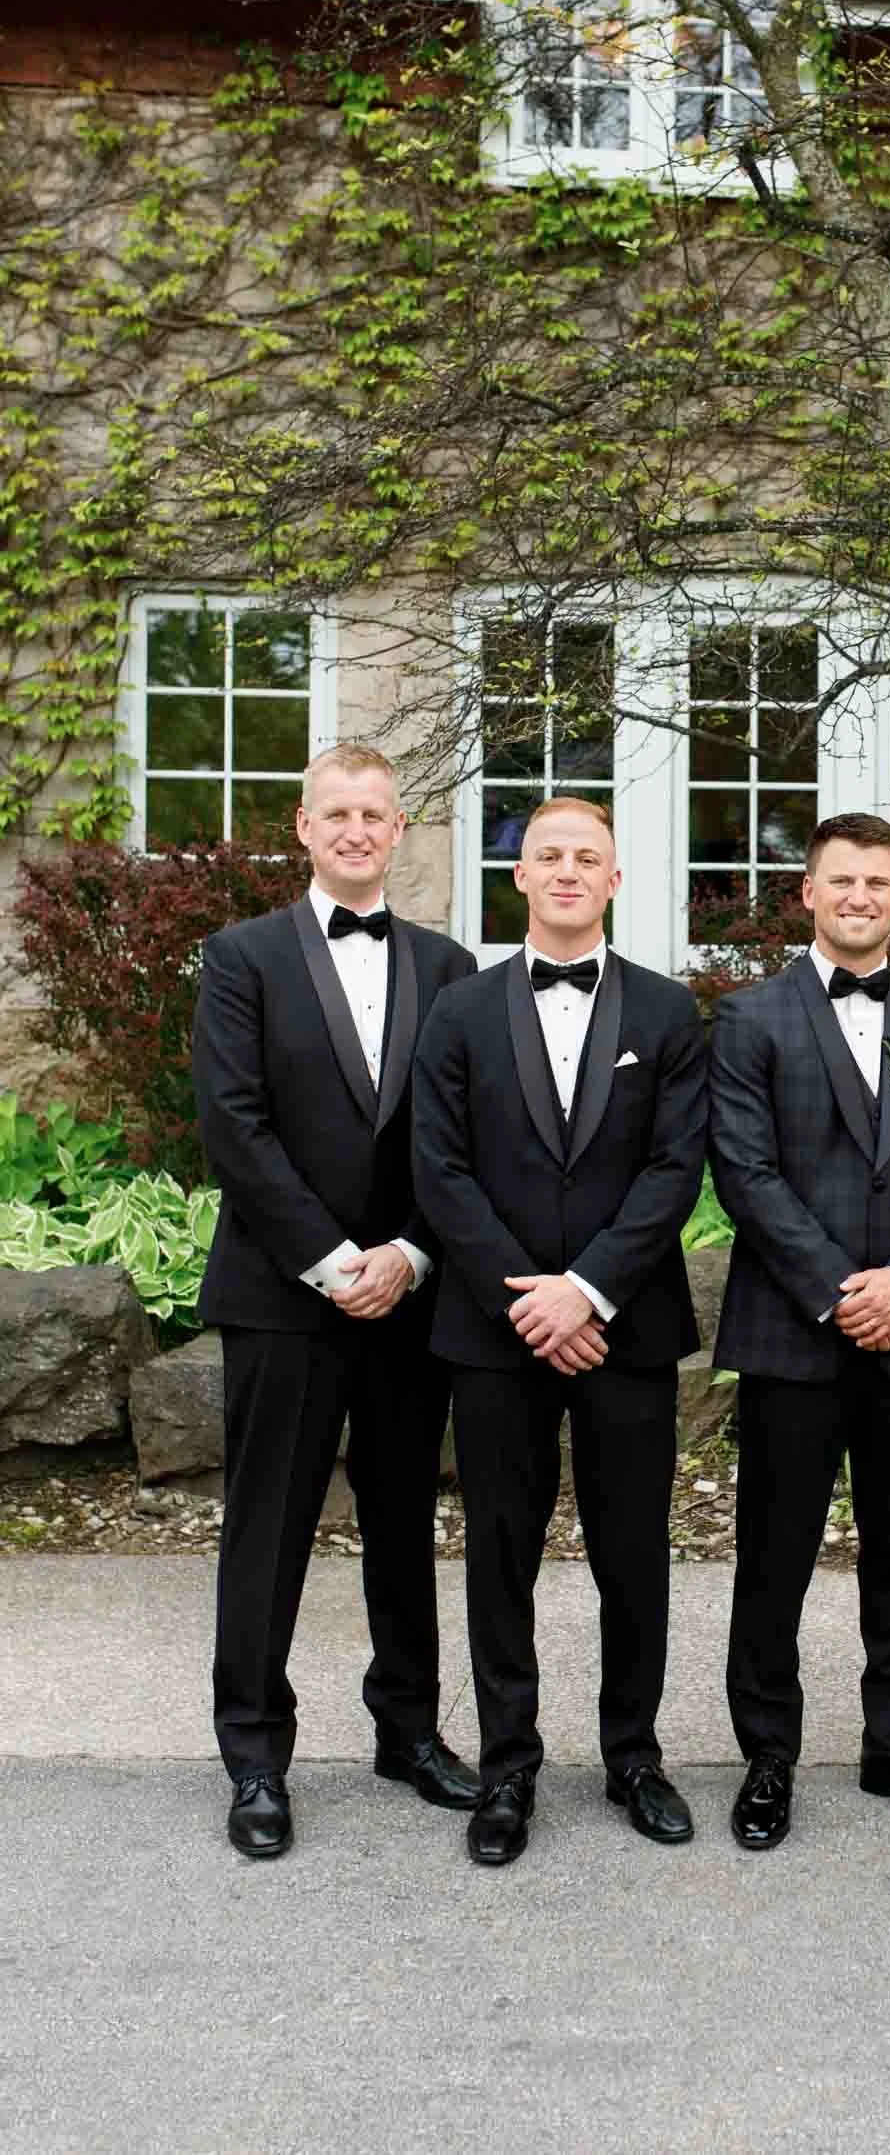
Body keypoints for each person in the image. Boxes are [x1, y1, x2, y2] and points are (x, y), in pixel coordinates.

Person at [193, 741, 480, 1859]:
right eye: (337, 813)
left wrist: (408, 1252)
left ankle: (407, 1729)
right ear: (303, 828)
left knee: (404, 1521)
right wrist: (328, 1257)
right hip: (282, 1293)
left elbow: (458, 1137)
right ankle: (255, 1755)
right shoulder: (241, 957)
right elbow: (233, 1124)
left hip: (409, 1294)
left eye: (375, 813)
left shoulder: (452, 968)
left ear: (398, 831)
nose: (357, 830)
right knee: (269, 1527)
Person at [411, 796, 708, 1867]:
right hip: (494, 1336)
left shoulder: (670, 1016)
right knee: (500, 1552)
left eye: (588, 856)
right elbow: (437, 1169)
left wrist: (586, 1291)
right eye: (550, 856)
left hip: (625, 1330)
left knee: (635, 1552)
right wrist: (524, 1299)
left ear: (616, 880)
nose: (569, 870)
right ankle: (508, 1767)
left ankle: (633, 1753)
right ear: (520, 876)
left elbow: (675, 1169)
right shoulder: (458, 1012)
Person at [710, 812, 890, 1849]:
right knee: (773, 1553)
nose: (860, 896)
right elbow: (744, 1171)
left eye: (878, 880)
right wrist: (838, 1290)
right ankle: (767, 1753)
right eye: (842, 880)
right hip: (792, 1330)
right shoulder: (748, 1020)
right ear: (809, 894)